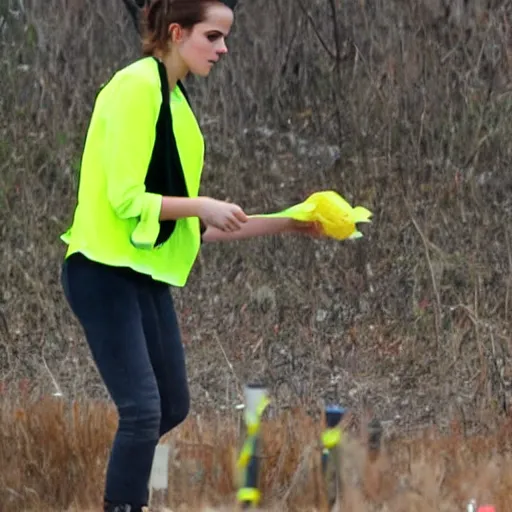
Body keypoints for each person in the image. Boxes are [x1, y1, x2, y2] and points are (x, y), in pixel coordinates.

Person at [60, 1, 320, 510]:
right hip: (101, 272)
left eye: (225, 37)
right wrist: (203, 204)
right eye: (214, 36)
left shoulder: (177, 106)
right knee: (141, 411)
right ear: (176, 32)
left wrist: (292, 222)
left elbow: (195, 228)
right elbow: (128, 200)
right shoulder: (134, 88)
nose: (224, 48)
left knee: (171, 405)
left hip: (142, 275)